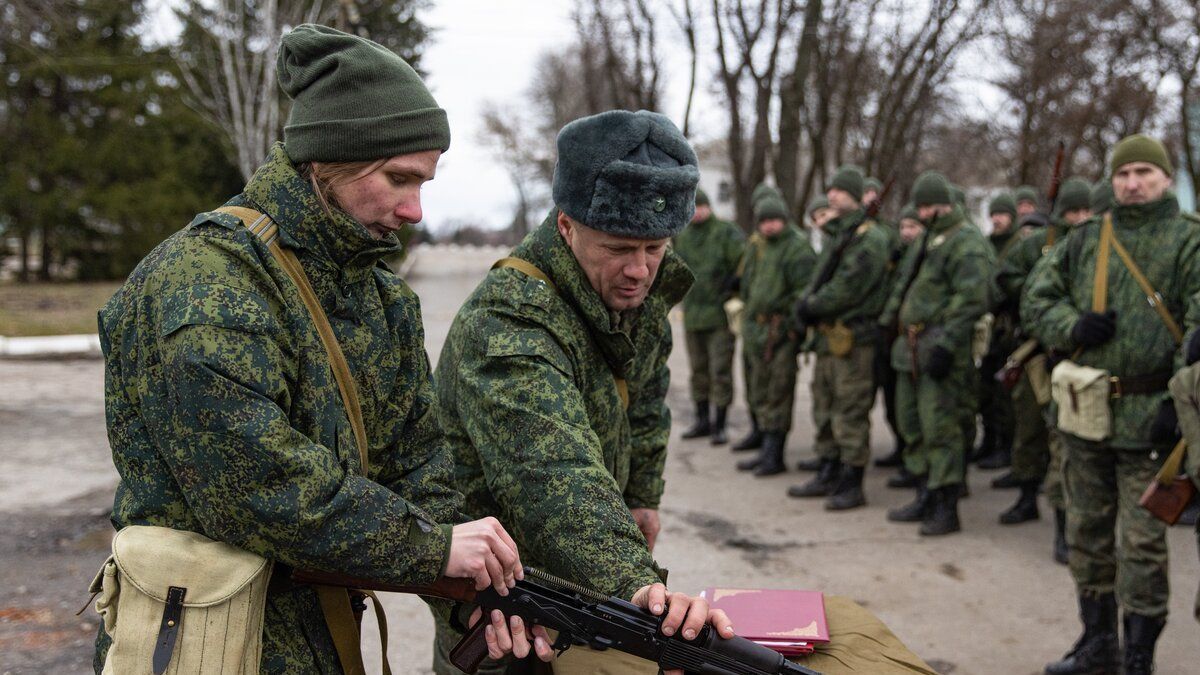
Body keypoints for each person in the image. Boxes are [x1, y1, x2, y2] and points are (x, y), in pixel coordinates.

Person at [92, 25, 548, 673]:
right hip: (200, 643)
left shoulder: (383, 301)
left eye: (425, 182)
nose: (416, 209)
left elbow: (418, 467)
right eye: (398, 177)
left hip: (323, 644)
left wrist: (474, 593)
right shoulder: (206, 281)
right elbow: (258, 484)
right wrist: (434, 548)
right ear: (327, 160)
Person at [433, 110, 733, 674]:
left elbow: (646, 398)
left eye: (656, 247)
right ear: (566, 225)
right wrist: (633, 581)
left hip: (587, 571)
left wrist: (642, 495)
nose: (640, 270)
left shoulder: (640, 296)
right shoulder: (510, 320)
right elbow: (552, 472)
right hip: (501, 594)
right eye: (619, 248)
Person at [1024, 134, 1200, 675]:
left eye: (1145, 172)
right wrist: (1070, 325)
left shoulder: (1188, 240)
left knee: (1142, 546)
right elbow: (1036, 299)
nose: (1132, 183)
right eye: (1123, 174)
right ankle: (1097, 641)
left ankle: (1138, 656)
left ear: (1166, 178)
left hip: (1153, 420)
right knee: (1086, 534)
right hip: (1087, 415)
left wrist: (1180, 399)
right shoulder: (1087, 238)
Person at [881, 171, 993, 536]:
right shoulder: (927, 239)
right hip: (910, 348)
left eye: (928, 206)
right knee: (911, 424)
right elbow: (906, 283)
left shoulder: (966, 242)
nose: (924, 213)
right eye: (921, 207)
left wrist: (946, 343)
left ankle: (946, 506)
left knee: (940, 429)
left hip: (941, 348)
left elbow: (971, 298)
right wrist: (889, 322)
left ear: (943, 204)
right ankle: (923, 493)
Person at [787, 165, 892, 510]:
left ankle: (852, 480)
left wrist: (811, 305)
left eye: (840, 191)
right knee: (825, 404)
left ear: (857, 195)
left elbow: (848, 287)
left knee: (850, 409)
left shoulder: (870, 238)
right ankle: (829, 469)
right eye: (830, 190)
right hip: (829, 338)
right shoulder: (842, 234)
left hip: (854, 338)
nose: (832, 195)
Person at [993, 178, 1092, 540]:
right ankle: (1025, 496)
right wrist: (1037, 291)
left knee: (1063, 440)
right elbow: (1005, 277)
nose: (1080, 217)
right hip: (1034, 352)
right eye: (1072, 211)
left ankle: (1065, 523)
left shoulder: (1098, 246)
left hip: (1079, 355)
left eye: (1086, 210)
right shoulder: (1039, 244)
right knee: (1028, 428)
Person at [735, 195, 819, 477]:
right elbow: (749, 283)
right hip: (756, 328)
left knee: (777, 391)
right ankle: (762, 443)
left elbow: (803, 294)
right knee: (758, 387)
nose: (769, 226)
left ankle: (775, 454)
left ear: (784, 219)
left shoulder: (797, 248)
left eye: (774, 221)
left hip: (780, 331)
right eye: (764, 221)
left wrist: (788, 328)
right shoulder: (759, 245)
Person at [674, 188, 745, 445]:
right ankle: (702, 420)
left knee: (720, 371)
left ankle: (720, 424)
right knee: (698, 371)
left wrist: (734, 284)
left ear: (709, 207)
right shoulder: (683, 235)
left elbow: (742, 262)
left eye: (702, 206)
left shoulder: (725, 232)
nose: (698, 212)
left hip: (719, 316)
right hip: (693, 314)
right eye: (694, 207)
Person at [974, 193, 1021, 471]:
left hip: (1008, 330)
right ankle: (989, 441)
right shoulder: (988, 244)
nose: (996, 219)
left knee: (1005, 395)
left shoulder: (1018, 244)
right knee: (986, 390)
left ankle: (1007, 447)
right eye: (993, 214)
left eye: (1001, 214)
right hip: (990, 329)